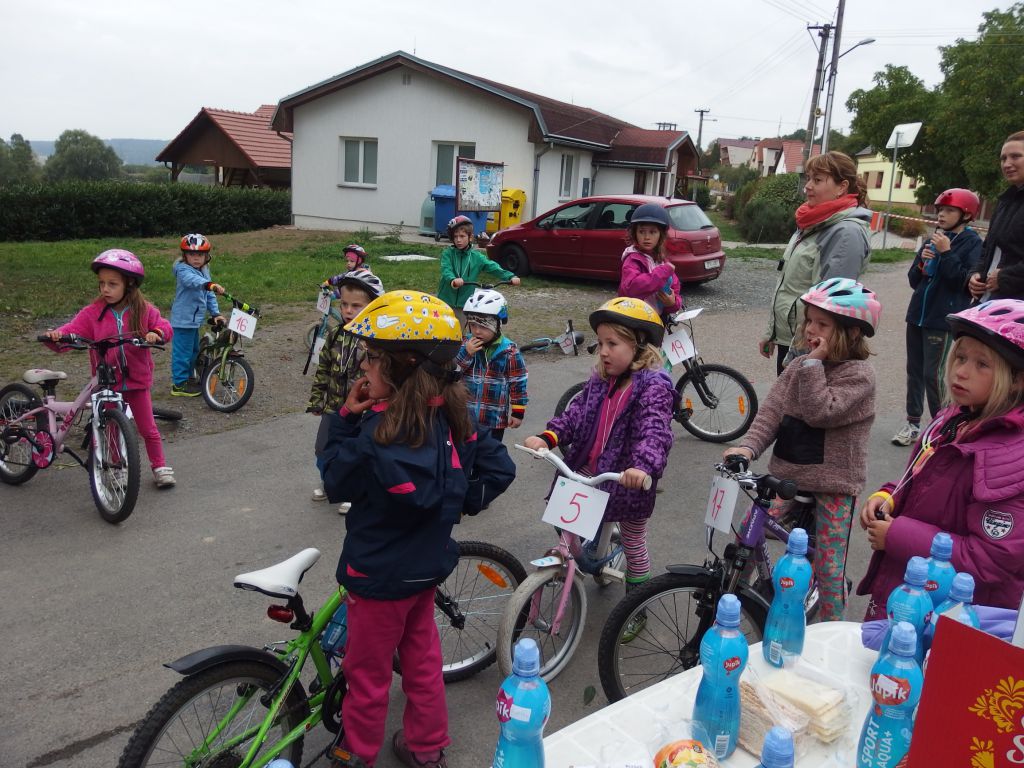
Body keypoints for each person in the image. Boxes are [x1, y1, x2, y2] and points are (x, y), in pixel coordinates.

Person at [317, 290, 516, 768]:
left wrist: (344, 415)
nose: (363, 365)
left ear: (400, 367)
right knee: (422, 663)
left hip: (375, 578)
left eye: (372, 357)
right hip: (425, 570)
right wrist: (456, 501)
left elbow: (332, 477)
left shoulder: (373, 435)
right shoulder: (455, 419)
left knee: (367, 675)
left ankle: (357, 754)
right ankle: (427, 750)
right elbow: (500, 469)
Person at [858, 299, 1024, 620]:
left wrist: (897, 536)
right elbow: (921, 479)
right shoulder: (952, 420)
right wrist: (890, 496)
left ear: (1017, 379)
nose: (961, 371)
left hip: (952, 620)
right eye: (960, 357)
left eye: (982, 364)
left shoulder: (1012, 458)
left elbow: (989, 561)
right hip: (908, 596)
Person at [725, 278, 880, 621]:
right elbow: (772, 411)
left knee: (828, 566)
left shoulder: (859, 376)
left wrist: (813, 364)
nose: (810, 329)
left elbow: (820, 410)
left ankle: (831, 629)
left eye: (822, 324)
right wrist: (747, 448)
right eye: (809, 320)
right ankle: (732, 600)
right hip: (790, 475)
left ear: (852, 332)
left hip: (834, 485)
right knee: (746, 536)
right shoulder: (799, 365)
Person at [524, 297, 676, 607]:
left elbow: (654, 431)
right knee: (564, 517)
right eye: (600, 342)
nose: (603, 351)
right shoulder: (600, 380)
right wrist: (549, 437)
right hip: (590, 469)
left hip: (626, 479)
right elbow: (576, 414)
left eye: (612, 343)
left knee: (634, 544)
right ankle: (581, 553)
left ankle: (635, 608)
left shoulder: (653, 387)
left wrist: (643, 467)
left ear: (639, 345)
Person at [45, 249, 176, 488]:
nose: (105, 289)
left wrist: (156, 334)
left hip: (137, 382)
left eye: (112, 284)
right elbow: (72, 330)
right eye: (101, 283)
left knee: (148, 428)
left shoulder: (144, 310)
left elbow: (164, 326)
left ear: (129, 284)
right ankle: (118, 469)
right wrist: (57, 336)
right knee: (112, 430)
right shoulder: (92, 313)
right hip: (107, 383)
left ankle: (159, 467)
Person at [761, 151, 872, 375]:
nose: (808, 186)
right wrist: (772, 333)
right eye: (809, 178)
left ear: (842, 187)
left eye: (818, 180)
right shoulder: (812, 222)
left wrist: (800, 355)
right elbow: (789, 287)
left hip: (810, 347)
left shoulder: (845, 233)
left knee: (802, 398)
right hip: (792, 338)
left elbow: (831, 307)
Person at [892, 188, 983, 446]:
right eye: (940, 210)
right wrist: (922, 262)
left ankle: (943, 427)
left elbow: (963, 281)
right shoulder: (934, 238)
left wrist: (946, 253)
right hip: (917, 315)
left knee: (932, 375)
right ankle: (912, 424)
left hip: (941, 319)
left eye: (949, 210)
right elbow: (914, 281)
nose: (942, 215)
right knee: (914, 371)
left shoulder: (972, 243)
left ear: (966, 215)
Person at [307, 270, 385, 511]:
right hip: (334, 407)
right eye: (344, 304)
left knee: (357, 450)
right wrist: (317, 399)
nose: (348, 310)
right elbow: (323, 369)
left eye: (356, 306)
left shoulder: (375, 340)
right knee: (323, 447)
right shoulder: (334, 334)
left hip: (363, 411)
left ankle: (352, 490)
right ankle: (329, 480)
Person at [454, 288, 527, 442]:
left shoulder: (509, 352)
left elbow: (518, 382)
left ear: (498, 325)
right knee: (463, 453)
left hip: (493, 421)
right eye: (473, 325)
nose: (477, 331)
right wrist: (466, 353)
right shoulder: (464, 344)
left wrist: (518, 412)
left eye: (484, 326)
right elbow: (453, 372)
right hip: (464, 417)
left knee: (490, 455)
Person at [969, 131, 1024, 302]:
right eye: (1003, 158)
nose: (1007, 164)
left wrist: (1006, 277)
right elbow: (988, 248)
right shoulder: (1004, 202)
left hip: (1015, 307)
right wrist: (975, 274)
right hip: (988, 301)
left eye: (1015, 156)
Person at [170, 234, 224, 396]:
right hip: (183, 320)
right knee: (182, 353)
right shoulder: (182, 270)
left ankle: (188, 378)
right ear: (184, 255)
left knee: (193, 351)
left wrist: (215, 313)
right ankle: (179, 385)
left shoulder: (204, 270)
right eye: (191, 254)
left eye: (200, 254)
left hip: (194, 321)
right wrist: (209, 285)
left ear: (206, 256)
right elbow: (192, 281)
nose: (196, 258)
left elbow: (209, 294)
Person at [437, 215, 520, 311]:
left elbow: (492, 267)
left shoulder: (476, 257)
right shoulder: (448, 254)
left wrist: (510, 276)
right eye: (455, 236)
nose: (458, 240)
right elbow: (446, 269)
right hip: (446, 302)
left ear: (470, 237)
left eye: (462, 236)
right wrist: (453, 280)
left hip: (465, 304)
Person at [618, 202, 682, 321]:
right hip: (635, 319)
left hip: (656, 319)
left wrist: (672, 303)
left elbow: (675, 289)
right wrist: (662, 272)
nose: (647, 237)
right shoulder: (632, 259)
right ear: (635, 234)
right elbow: (630, 288)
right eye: (642, 232)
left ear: (660, 235)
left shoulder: (661, 260)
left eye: (653, 232)